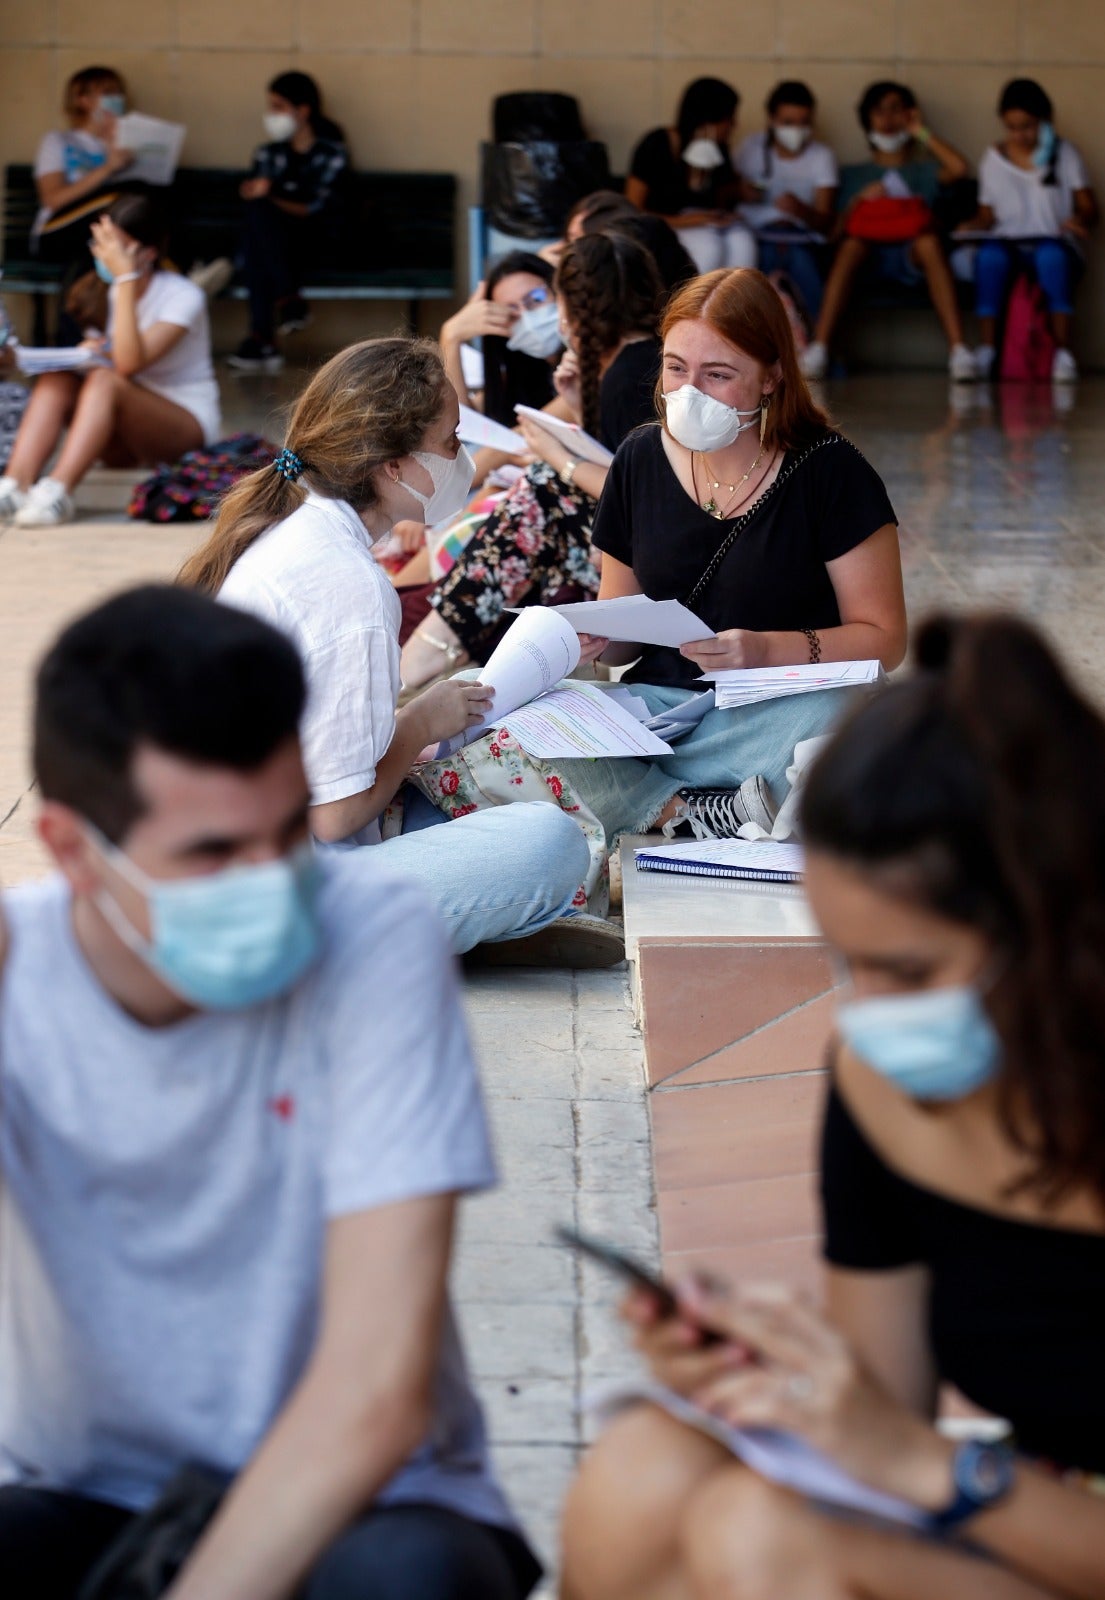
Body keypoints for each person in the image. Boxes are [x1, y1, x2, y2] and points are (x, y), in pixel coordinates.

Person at [0, 584, 543, 1600]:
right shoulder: (17, 973)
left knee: (414, 1582)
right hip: (88, 1490)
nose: (271, 879)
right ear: (72, 849)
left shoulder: (371, 937)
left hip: (363, 1499)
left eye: (288, 830)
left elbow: (376, 1393)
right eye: (212, 853)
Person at [559, 612, 1105, 1600]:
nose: (868, 1013)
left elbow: (904, 1459)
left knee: (758, 1538)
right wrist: (769, 1381)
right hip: (1037, 1514)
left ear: (1060, 929)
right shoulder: (888, 1089)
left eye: (907, 969)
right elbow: (877, 1422)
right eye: (849, 964)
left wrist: (934, 1466)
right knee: (641, 1471)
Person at [179, 336, 609, 964]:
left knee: (459, 802)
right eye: (452, 441)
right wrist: (416, 725)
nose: (465, 459)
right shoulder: (349, 586)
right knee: (548, 842)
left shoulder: (294, 528)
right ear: (395, 466)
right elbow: (335, 817)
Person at [548, 265, 906, 844]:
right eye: (675, 369)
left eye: (718, 375)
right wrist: (585, 640)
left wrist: (765, 650)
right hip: (664, 718)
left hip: (777, 711)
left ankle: (658, 807)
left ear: (771, 378)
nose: (690, 393)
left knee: (847, 722)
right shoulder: (640, 458)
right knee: (523, 720)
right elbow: (623, 628)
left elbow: (884, 639)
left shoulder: (831, 472)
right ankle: (685, 812)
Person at [400, 231, 665, 687]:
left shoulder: (627, 369)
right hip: (627, 535)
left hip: (644, 546)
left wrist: (558, 459)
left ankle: (427, 653)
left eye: (546, 298)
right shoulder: (628, 361)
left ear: (574, 303)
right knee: (534, 495)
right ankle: (442, 649)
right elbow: (628, 462)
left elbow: (638, 489)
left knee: (544, 490)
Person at [0, 194, 220, 528]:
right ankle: (14, 485)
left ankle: (57, 491)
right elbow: (119, 356)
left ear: (147, 253)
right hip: (123, 427)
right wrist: (93, 351)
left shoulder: (183, 296)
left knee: (105, 380)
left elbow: (129, 365)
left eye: (115, 245)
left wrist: (126, 280)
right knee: (57, 379)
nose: (103, 254)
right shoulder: (114, 291)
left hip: (181, 426)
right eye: (100, 242)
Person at [801, 82, 975, 383]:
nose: (888, 119)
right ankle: (820, 348)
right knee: (851, 246)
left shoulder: (924, 170)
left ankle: (959, 352)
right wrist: (858, 201)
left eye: (896, 110)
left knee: (929, 243)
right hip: (866, 260)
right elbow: (834, 233)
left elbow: (959, 168)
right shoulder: (852, 174)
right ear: (867, 119)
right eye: (879, 111)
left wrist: (920, 131)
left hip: (912, 258)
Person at [957, 79, 1098, 384]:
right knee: (989, 260)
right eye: (1012, 127)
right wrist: (973, 226)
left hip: (1053, 242)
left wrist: (1079, 220)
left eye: (1027, 126)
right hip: (1007, 243)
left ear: (1044, 122)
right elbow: (987, 214)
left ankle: (1062, 354)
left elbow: (1090, 207)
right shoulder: (993, 158)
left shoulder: (1066, 154)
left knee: (1052, 260)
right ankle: (988, 351)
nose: (1019, 135)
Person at [226, 72, 350, 374]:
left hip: (316, 243)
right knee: (259, 225)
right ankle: (289, 301)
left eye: (279, 106)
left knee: (260, 232)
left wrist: (272, 195)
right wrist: (257, 194)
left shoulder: (330, 153)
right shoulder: (267, 153)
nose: (272, 115)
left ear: (303, 110)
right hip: (276, 248)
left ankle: (262, 339)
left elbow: (317, 209)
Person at [30, 64, 136, 344]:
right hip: (56, 231)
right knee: (114, 202)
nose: (116, 99)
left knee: (91, 253)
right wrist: (107, 170)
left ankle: (83, 341)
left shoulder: (123, 147)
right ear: (82, 99)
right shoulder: (58, 141)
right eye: (107, 93)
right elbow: (52, 198)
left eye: (118, 93)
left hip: (94, 239)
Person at [626, 78, 757, 275]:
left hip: (706, 226)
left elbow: (719, 199)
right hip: (663, 228)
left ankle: (736, 304)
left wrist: (736, 196)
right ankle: (691, 304)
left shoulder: (718, 150)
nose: (734, 125)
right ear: (709, 119)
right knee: (709, 247)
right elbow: (631, 210)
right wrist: (693, 220)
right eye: (729, 119)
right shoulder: (657, 145)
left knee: (743, 242)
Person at [735, 81, 838, 323]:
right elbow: (723, 198)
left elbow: (825, 222)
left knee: (805, 272)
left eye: (804, 123)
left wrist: (801, 210)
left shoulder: (822, 157)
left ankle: (814, 350)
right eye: (788, 123)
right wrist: (741, 192)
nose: (797, 130)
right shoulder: (750, 149)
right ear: (771, 119)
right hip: (757, 239)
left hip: (802, 242)